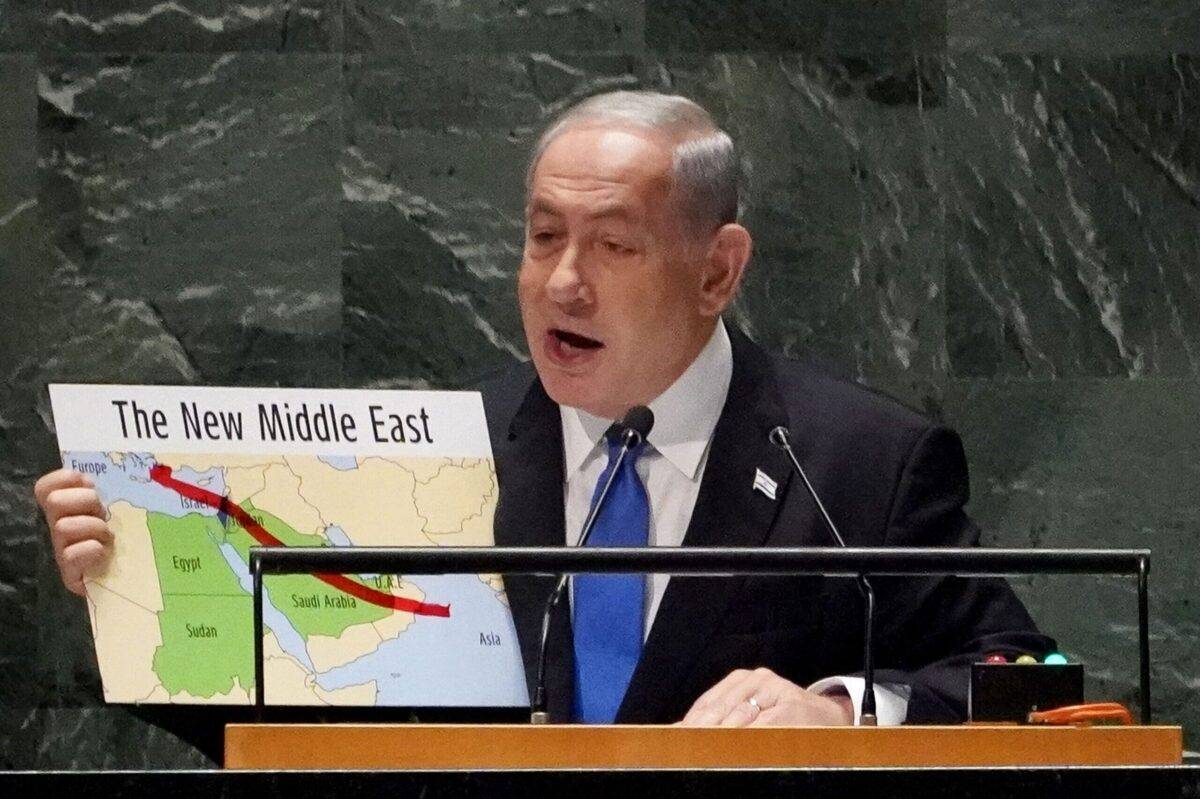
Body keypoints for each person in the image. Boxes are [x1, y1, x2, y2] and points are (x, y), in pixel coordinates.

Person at [35, 91, 1052, 751]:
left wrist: (838, 709)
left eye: (612, 247)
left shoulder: (858, 459)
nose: (562, 282)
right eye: (542, 237)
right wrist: (133, 592)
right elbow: (322, 718)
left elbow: (1033, 682)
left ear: (717, 270)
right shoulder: (447, 449)